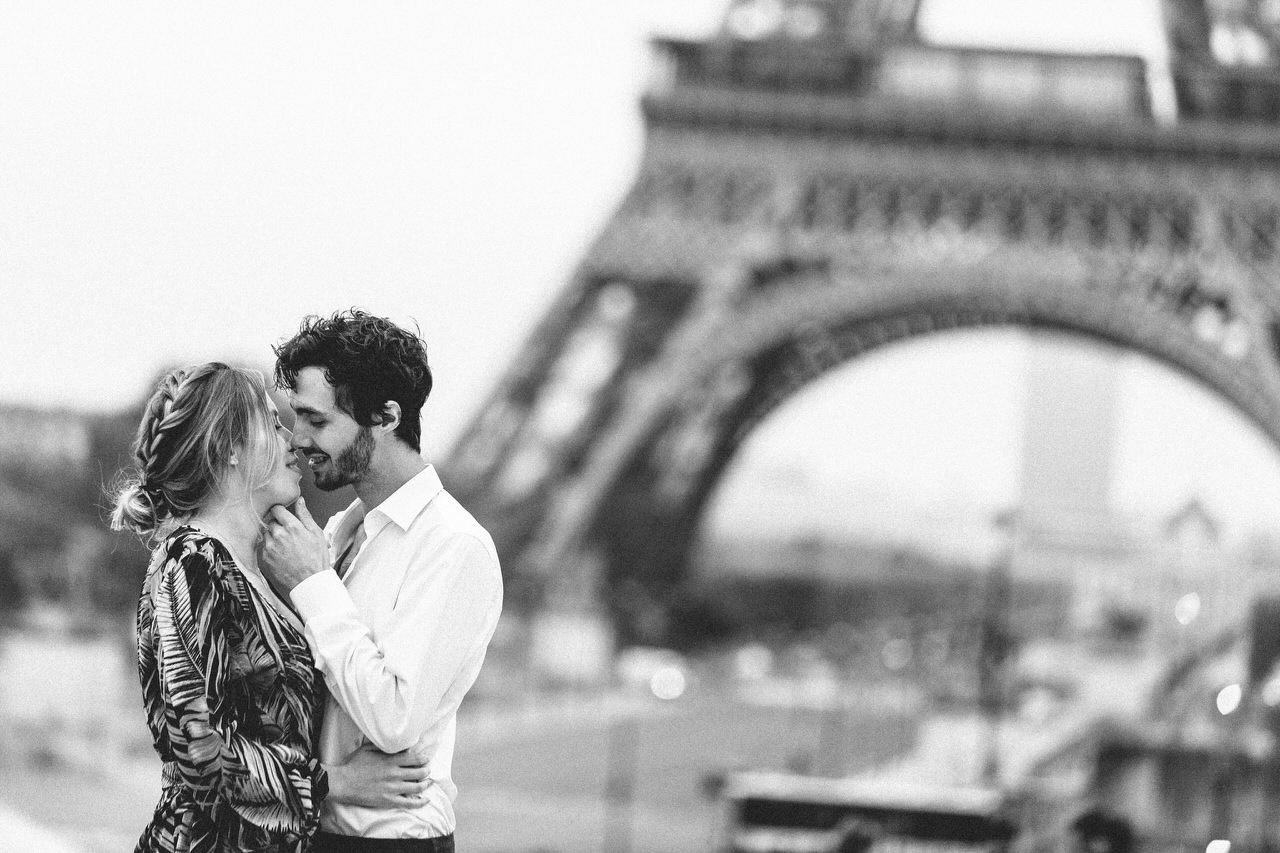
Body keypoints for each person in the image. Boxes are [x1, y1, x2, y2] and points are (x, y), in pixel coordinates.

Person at [111, 362, 428, 853]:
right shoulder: (192, 563)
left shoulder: (247, 570)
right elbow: (201, 747)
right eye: (272, 423)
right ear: (230, 448)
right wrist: (334, 783)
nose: (292, 440)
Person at [260, 310, 503, 853]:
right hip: (316, 827)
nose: (299, 439)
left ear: (386, 416)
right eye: (297, 418)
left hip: (390, 842)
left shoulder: (453, 546)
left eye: (317, 420)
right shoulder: (341, 531)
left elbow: (393, 718)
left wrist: (313, 585)